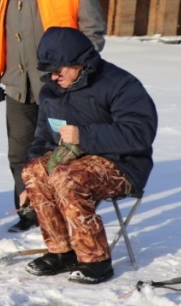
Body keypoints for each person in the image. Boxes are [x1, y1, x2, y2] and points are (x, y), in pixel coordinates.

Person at [0, 0, 107, 233]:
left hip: (59, 87)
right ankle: (30, 210)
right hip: (17, 85)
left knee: (61, 151)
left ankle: (64, 207)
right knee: (19, 153)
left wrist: (78, 73)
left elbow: (92, 32)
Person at [21, 27, 158, 284]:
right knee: (34, 170)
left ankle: (96, 260)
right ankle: (62, 252)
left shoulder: (120, 84)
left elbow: (140, 134)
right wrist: (27, 183)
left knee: (66, 176)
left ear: (79, 63)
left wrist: (84, 136)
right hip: (73, 159)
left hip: (123, 163)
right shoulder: (51, 91)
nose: (53, 77)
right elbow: (42, 140)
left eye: (59, 71)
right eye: (49, 72)